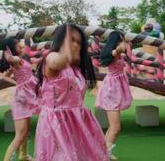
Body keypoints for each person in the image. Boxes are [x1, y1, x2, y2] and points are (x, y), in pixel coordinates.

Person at [34, 24, 109, 161]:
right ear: (60, 41)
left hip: (78, 123)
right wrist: (65, 52)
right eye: (71, 40)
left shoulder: (75, 69)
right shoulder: (51, 59)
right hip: (57, 126)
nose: (75, 45)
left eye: (79, 43)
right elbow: (56, 62)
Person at [0, 37, 39, 161]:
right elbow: (11, 59)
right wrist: (8, 54)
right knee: (20, 135)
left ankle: (23, 155)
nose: (22, 48)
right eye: (19, 46)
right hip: (22, 99)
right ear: (12, 49)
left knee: (26, 130)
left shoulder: (20, 60)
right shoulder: (16, 59)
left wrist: (16, 82)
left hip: (26, 97)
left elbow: (4, 77)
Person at [95, 31, 133, 160]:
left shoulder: (116, 53)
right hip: (111, 90)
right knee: (116, 128)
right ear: (116, 41)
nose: (124, 42)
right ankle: (104, 155)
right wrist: (121, 47)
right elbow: (117, 51)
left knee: (113, 126)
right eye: (121, 39)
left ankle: (103, 153)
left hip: (114, 88)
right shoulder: (114, 52)